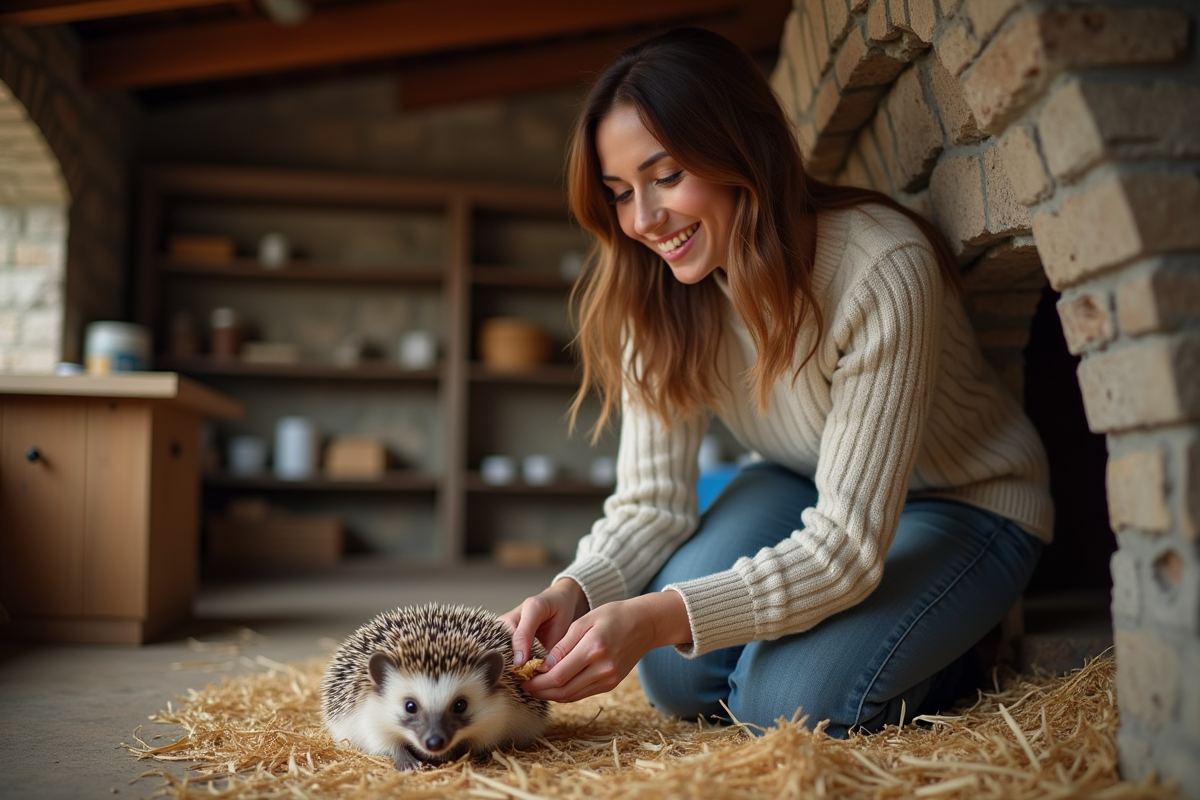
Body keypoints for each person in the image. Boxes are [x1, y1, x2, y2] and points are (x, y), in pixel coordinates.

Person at [501, 27, 1053, 738]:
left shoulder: (880, 268)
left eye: (667, 176)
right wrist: (572, 593)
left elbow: (846, 548)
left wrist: (662, 612)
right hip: (797, 477)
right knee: (674, 676)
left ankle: (961, 652)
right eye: (619, 193)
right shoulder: (657, 294)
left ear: (740, 149)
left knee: (786, 706)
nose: (643, 220)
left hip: (964, 499)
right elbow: (651, 505)